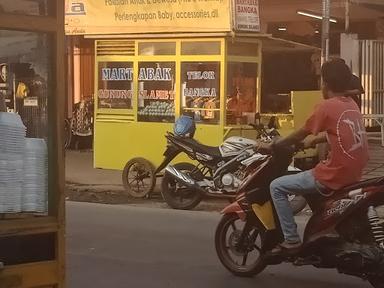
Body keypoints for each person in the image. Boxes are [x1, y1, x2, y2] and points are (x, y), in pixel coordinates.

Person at [263, 59, 369, 254]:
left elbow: (300, 132)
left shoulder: (326, 107)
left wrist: (274, 144)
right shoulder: (351, 104)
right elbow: (339, 132)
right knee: (305, 178)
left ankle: (291, 239)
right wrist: (314, 142)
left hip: (334, 175)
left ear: (325, 84)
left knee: (276, 186)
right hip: (354, 174)